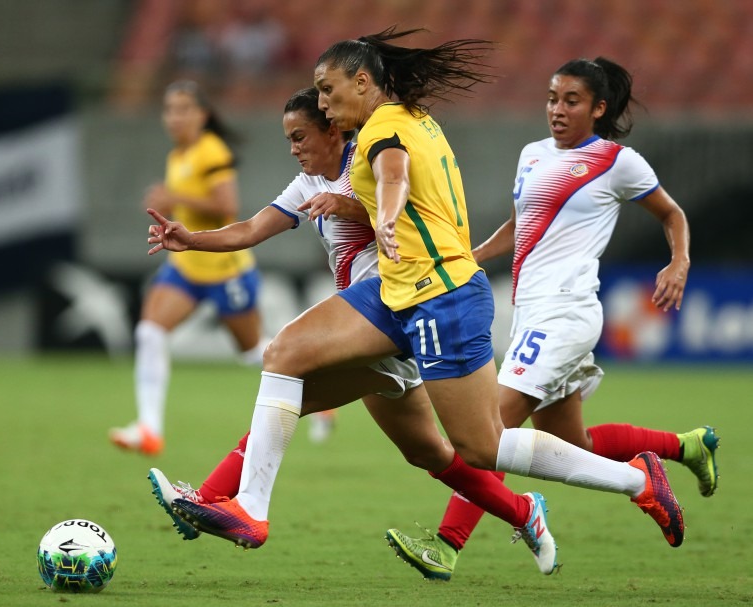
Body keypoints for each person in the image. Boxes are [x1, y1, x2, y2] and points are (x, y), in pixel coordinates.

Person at [165, 28, 684, 561]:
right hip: (397, 292)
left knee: (483, 447)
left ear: (362, 82)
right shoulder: (411, 118)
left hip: (441, 296)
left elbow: (394, 173)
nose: (322, 103)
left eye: (327, 89)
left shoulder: (381, 129)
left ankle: (635, 481)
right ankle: (249, 507)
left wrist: (385, 217)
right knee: (284, 355)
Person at [146, 87, 561, 576]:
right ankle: (524, 511)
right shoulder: (305, 184)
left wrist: (351, 209)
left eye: (301, 136)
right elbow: (250, 229)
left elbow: (412, 209)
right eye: (288, 140)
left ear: (333, 129)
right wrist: (191, 239)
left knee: (287, 382)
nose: (295, 148)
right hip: (368, 327)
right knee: (430, 453)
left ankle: (216, 499)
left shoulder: (367, 164)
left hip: (396, 315)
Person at [383, 56, 720, 579]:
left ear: (598, 108)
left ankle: (447, 545)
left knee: (486, 436)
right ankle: (682, 446)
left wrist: (679, 261)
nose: (556, 111)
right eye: (551, 98)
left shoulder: (616, 161)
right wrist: (469, 257)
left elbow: (671, 213)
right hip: (531, 312)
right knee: (571, 445)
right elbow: (524, 223)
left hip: (565, 313)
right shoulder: (532, 155)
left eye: (571, 101)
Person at [109, 80, 268, 456]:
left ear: (203, 115)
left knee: (253, 353)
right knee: (149, 332)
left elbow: (227, 206)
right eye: (169, 109)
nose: (175, 117)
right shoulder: (178, 155)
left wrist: (173, 198)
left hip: (225, 270)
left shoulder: (211, 151)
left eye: (183, 109)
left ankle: (319, 382)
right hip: (186, 267)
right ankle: (149, 429)